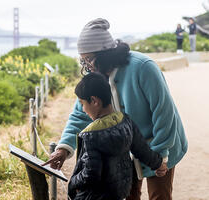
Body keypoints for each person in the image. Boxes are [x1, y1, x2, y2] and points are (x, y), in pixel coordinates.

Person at [45, 18, 188, 200]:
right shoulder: (94, 75)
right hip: (126, 149)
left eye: (89, 59)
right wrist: (63, 149)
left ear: (105, 54)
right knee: (128, 195)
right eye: (83, 60)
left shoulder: (143, 67)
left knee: (159, 196)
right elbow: (80, 114)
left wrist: (159, 157)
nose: (86, 66)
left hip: (161, 143)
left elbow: (165, 114)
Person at [67, 72, 166, 200]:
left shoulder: (91, 135)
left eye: (82, 103)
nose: (83, 109)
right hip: (119, 192)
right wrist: (158, 164)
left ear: (94, 101)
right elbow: (142, 149)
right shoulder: (125, 121)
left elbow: (90, 173)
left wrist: (73, 182)